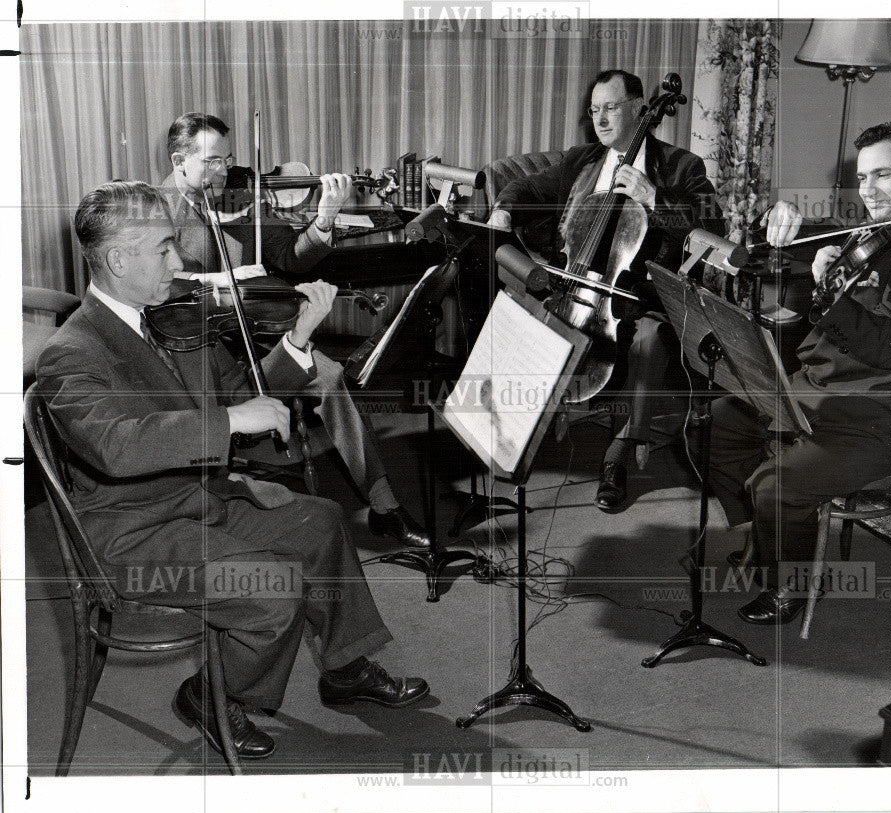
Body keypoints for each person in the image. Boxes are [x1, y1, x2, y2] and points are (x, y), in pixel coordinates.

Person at [35, 181, 430, 760]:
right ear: (118, 260)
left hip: (196, 503)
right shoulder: (74, 350)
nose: (180, 262)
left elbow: (245, 394)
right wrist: (228, 421)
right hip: (132, 538)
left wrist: (298, 339)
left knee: (318, 522)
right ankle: (210, 696)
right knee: (273, 590)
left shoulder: (168, 320)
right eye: (165, 249)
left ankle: (344, 668)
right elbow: (117, 446)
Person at [708, 122, 891, 624]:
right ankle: (765, 542)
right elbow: (790, 243)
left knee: (775, 484)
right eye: (863, 177)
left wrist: (833, 290)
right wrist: (779, 220)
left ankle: (797, 587)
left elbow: (889, 345)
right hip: (822, 392)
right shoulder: (876, 231)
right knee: (717, 422)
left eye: (883, 175)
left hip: (874, 417)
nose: (868, 190)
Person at [158, 112, 429, 548]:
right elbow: (157, 290)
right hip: (198, 346)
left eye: (227, 159)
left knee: (330, 374)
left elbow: (289, 257)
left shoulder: (237, 199)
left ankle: (385, 508)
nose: (224, 171)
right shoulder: (153, 209)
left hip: (258, 328)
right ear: (179, 161)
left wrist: (323, 221)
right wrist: (216, 283)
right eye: (211, 161)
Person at [487, 70, 722, 511]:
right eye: (594, 109)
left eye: (610, 107)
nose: (600, 118)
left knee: (649, 341)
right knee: (517, 310)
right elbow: (526, 186)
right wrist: (502, 210)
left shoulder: (681, 166)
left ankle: (619, 451)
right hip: (573, 283)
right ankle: (512, 431)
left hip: (638, 294)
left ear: (638, 109)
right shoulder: (583, 159)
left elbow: (713, 228)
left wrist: (655, 200)